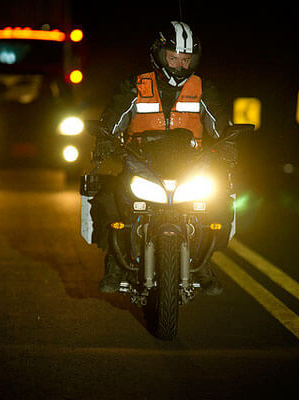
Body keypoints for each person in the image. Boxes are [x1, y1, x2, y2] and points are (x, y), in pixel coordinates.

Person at [92, 21, 233, 296]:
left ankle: (204, 262)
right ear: (158, 54)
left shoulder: (204, 89)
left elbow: (220, 125)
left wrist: (229, 141)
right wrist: (103, 139)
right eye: (173, 58)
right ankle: (115, 263)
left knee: (219, 200)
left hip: (191, 162)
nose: (180, 65)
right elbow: (112, 121)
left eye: (186, 59)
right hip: (141, 161)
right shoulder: (134, 86)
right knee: (109, 198)